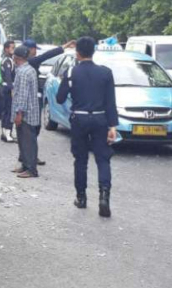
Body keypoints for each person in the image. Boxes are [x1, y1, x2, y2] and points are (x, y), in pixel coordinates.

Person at [56, 37, 118, 218]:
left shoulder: (71, 72)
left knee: (80, 160)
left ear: (77, 53)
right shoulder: (106, 73)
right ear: (93, 52)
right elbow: (110, 102)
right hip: (100, 119)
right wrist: (112, 126)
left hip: (80, 119)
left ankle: (81, 198)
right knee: (103, 159)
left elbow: (60, 98)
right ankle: (104, 198)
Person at [19, 39, 77, 166]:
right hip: (30, 102)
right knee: (32, 130)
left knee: (29, 130)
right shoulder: (30, 62)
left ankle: (27, 156)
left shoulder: (24, 62)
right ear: (29, 49)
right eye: (34, 49)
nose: (36, 52)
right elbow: (47, 55)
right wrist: (64, 46)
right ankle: (29, 158)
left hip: (30, 101)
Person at [10, 45, 40, 178]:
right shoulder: (30, 69)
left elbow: (22, 95)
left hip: (25, 114)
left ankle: (31, 169)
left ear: (16, 58)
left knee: (28, 141)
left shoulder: (22, 73)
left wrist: (19, 113)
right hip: (32, 111)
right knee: (24, 140)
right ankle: (25, 165)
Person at [0, 41, 16, 142]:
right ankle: (7, 134)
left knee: (6, 111)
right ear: (6, 49)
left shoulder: (8, 60)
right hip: (7, 88)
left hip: (5, 87)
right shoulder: (7, 61)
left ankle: (5, 133)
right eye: (12, 48)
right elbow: (9, 77)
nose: (13, 49)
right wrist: (12, 90)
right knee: (9, 111)